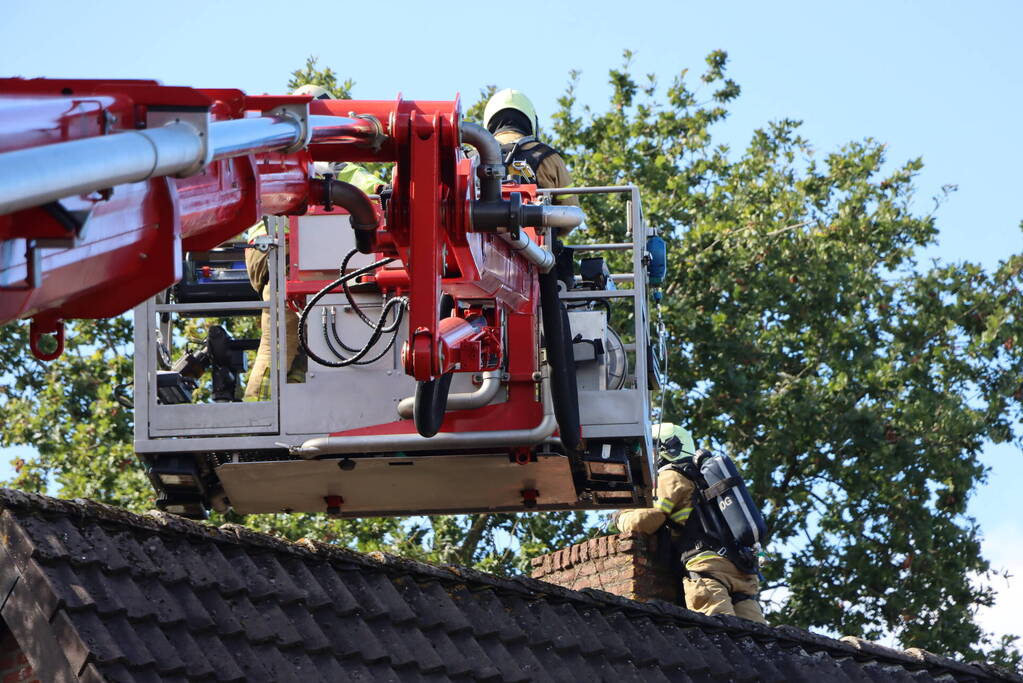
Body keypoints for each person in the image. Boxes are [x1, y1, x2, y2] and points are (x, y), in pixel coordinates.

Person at [243, 83, 384, 400]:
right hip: (287, 254)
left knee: (301, 346)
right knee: (278, 345)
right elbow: (371, 189)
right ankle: (258, 408)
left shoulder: (273, 154)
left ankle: (288, 399)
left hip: (268, 252)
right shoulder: (329, 163)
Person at [614, 423, 767, 623]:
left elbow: (647, 520)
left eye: (650, 449)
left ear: (667, 448)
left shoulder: (671, 475)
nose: (647, 457)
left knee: (719, 634)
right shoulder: (707, 477)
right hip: (742, 571)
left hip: (708, 568)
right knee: (754, 638)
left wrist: (621, 517)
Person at [482, 89, 579, 218]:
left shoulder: (471, 158)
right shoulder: (548, 157)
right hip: (538, 229)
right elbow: (571, 211)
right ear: (532, 122)